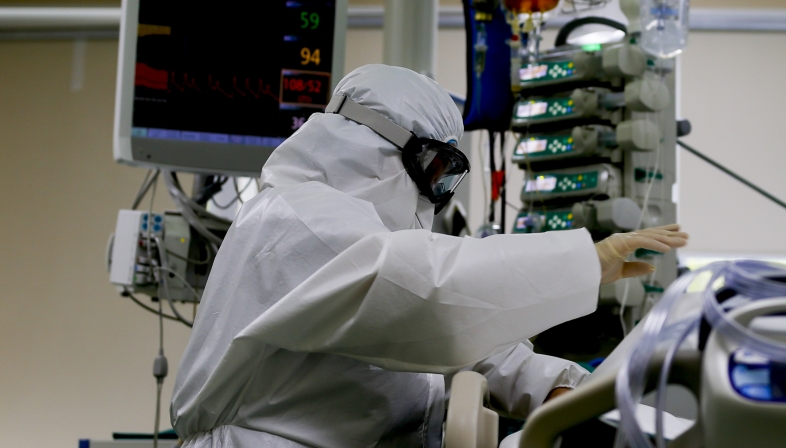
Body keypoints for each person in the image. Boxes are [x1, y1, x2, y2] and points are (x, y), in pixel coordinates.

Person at [171, 64, 688, 448]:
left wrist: (566, 389)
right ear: (375, 144)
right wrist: (584, 261)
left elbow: (462, 338)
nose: (436, 195)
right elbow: (431, 295)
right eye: (435, 169)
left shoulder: (364, 242)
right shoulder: (295, 217)